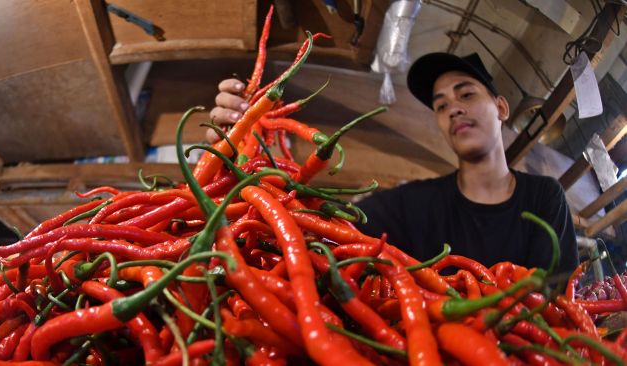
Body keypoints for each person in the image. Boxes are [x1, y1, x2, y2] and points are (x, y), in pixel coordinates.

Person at [210, 52, 579, 274]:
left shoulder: (544, 198)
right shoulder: (415, 203)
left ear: (501, 107)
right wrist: (242, 152)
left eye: (466, 93)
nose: (454, 108)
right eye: (441, 105)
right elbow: (321, 227)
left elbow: (555, 307)